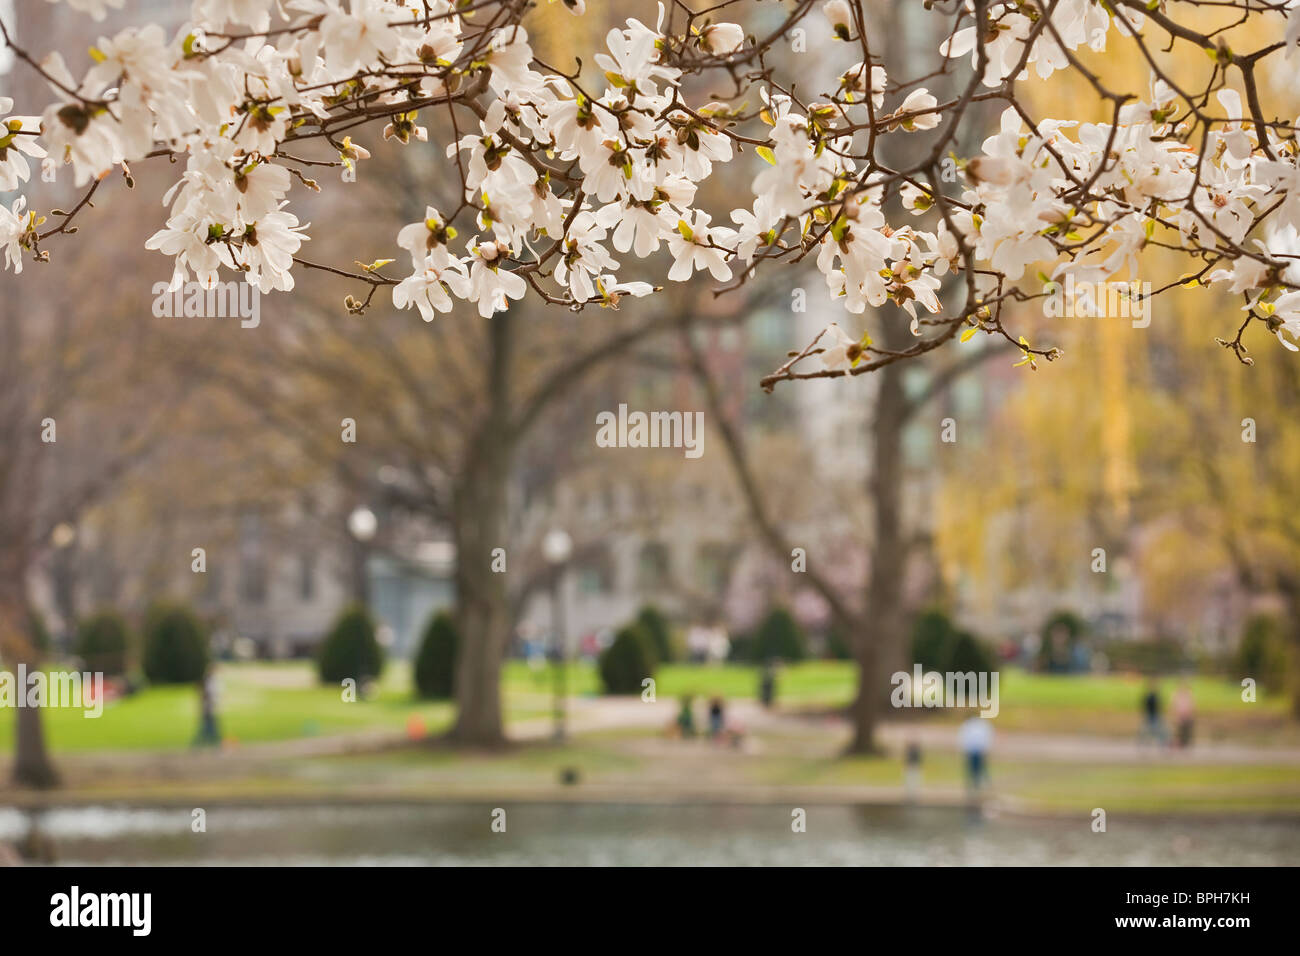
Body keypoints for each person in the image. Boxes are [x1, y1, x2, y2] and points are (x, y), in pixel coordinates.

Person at [957, 712, 993, 797]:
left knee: (978, 769)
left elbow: (963, 738)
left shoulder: (972, 725)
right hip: (975, 750)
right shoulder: (980, 724)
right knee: (974, 769)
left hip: (976, 750)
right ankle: (975, 787)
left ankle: (979, 786)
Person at [193, 667, 223, 748]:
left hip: (208, 708)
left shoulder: (207, 682)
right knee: (209, 728)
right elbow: (206, 695)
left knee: (209, 728)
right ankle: (213, 744)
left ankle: (213, 744)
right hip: (208, 708)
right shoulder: (208, 682)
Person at [1139, 677, 1167, 748]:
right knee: (1147, 731)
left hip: (1155, 715)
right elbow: (1144, 705)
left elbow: (1159, 705)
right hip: (1149, 715)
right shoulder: (1148, 695)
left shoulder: (1156, 695)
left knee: (1159, 731)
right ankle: (1144, 744)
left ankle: (1161, 745)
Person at [1173, 680, 1195, 749]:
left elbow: (1192, 706)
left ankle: (1186, 744)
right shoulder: (1176, 695)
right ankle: (1180, 744)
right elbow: (1174, 706)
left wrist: (1189, 714)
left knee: (1187, 731)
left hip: (1187, 716)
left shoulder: (1189, 694)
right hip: (1179, 716)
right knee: (1179, 731)